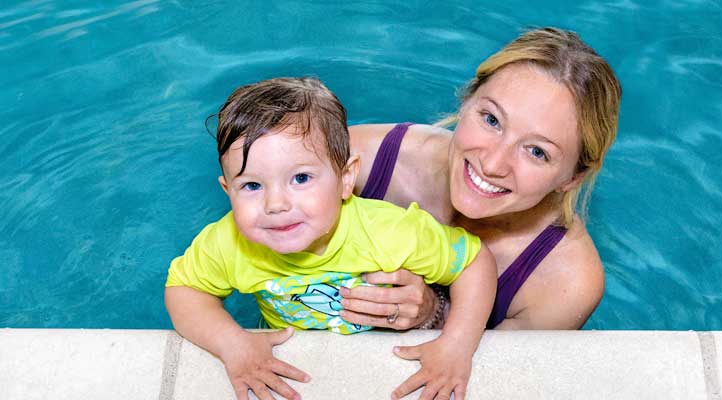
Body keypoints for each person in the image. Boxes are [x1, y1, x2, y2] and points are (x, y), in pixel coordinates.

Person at [164, 77, 496, 400]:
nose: (275, 204)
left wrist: (456, 345)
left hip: (388, 345)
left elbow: (474, 263)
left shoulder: (388, 231)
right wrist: (232, 343)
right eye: (252, 186)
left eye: (301, 178)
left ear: (345, 179)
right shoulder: (229, 242)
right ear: (228, 190)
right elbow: (184, 289)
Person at [340, 26, 621, 346]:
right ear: (467, 100)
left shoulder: (565, 282)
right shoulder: (368, 161)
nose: (492, 165)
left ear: (571, 178)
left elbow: (491, 383)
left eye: (537, 152)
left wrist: (432, 316)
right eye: (491, 120)